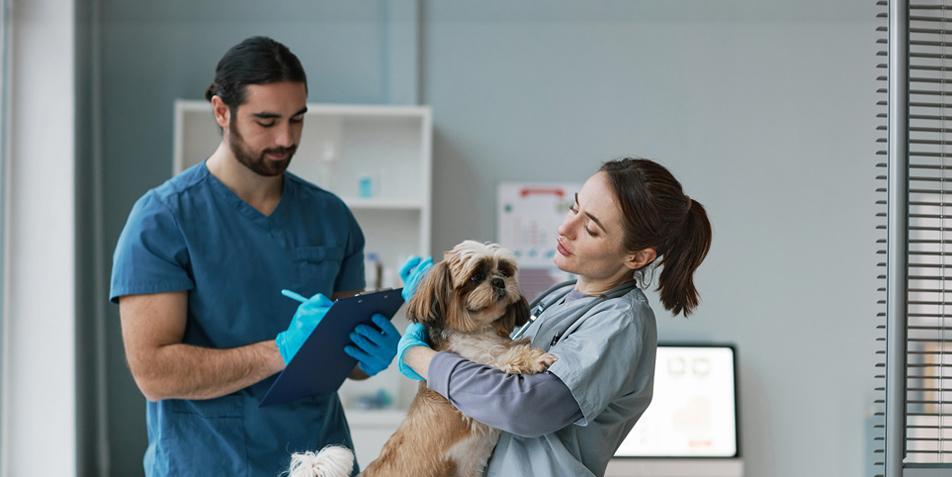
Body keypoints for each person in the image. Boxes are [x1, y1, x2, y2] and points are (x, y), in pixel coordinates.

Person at [110, 36, 399, 476]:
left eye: (297, 120)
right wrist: (280, 351)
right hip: (207, 462)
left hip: (321, 460)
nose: (286, 138)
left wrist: (367, 354)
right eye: (266, 121)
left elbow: (345, 362)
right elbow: (154, 372)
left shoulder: (331, 217)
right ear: (221, 111)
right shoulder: (163, 220)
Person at [397, 157, 712, 477]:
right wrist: (437, 321)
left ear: (637, 256)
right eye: (573, 209)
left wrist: (419, 357)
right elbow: (489, 370)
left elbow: (522, 407)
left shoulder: (620, 323)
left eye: (590, 228)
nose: (565, 228)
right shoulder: (559, 297)